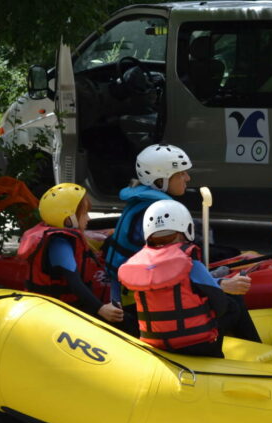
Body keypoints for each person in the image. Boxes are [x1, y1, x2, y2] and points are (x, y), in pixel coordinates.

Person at [103, 143, 251, 334]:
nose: (187, 178)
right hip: (138, 303)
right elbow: (170, 265)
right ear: (160, 180)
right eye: (181, 174)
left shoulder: (141, 203)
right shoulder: (160, 214)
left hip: (130, 293)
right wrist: (221, 284)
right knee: (232, 304)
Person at [118, 200, 260, 357]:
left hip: (156, 343)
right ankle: (255, 347)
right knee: (234, 304)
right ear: (186, 229)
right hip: (198, 345)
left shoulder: (139, 263)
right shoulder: (189, 261)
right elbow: (220, 304)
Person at [16, 183, 124, 325]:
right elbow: (74, 283)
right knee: (127, 323)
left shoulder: (57, 234)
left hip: (63, 307)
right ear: (68, 219)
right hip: (57, 313)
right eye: (85, 213)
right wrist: (101, 309)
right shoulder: (59, 243)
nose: (89, 219)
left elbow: (91, 243)